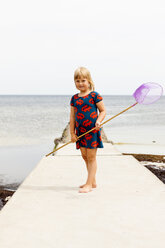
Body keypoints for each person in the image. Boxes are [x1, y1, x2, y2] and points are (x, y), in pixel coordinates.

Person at [69, 67, 106, 193]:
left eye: (83, 80)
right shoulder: (74, 98)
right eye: (77, 81)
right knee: (85, 156)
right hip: (80, 132)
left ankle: (89, 184)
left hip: (92, 131)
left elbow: (103, 111)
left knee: (91, 157)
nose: (80, 83)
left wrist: (99, 121)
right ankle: (92, 181)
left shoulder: (94, 95)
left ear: (89, 81)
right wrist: (72, 133)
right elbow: (72, 117)